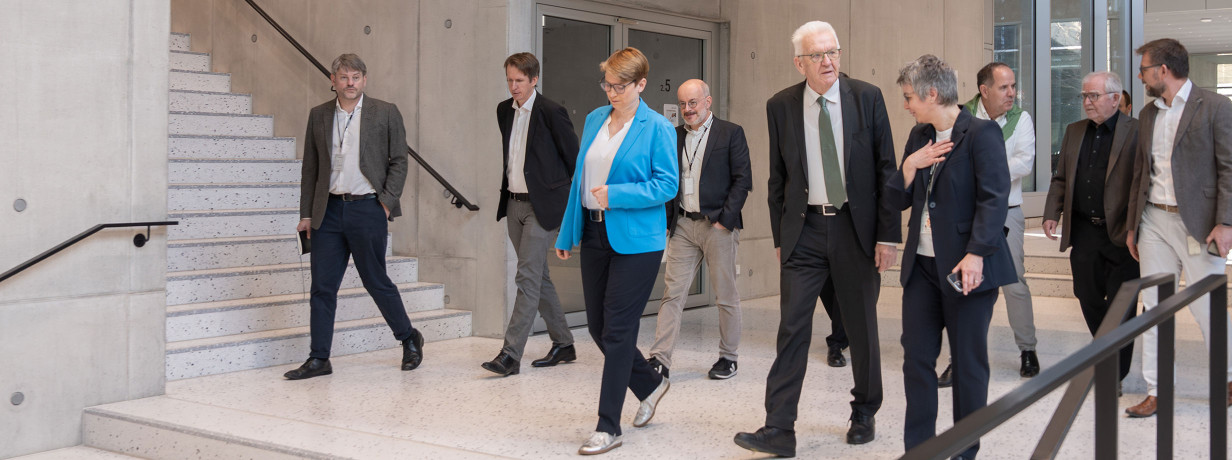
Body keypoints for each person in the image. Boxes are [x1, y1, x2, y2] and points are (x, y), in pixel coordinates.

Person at [734, 21, 899, 457]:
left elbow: (886, 170)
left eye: (833, 52)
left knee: (860, 326)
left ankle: (864, 411)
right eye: (818, 55)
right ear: (799, 63)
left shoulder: (867, 98)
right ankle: (779, 428)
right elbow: (778, 178)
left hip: (855, 229)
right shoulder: (781, 106)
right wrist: (779, 237)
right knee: (792, 328)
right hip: (803, 231)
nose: (828, 61)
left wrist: (888, 236)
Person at [888, 54, 1015, 460]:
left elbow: (994, 200)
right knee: (917, 361)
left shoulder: (981, 134)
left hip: (967, 269)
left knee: (967, 365)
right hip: (922, 269)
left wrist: (977, 253)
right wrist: (909, 167)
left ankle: (963, 450)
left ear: (930, 93)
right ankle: (920, 450)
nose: (906, 104)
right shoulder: (917, 137)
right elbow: (899, 198)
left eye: (909, 97)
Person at [554, 47, 678, 455]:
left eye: (620, 85)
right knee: (597, 328)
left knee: (619, 330)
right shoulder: (593, 119)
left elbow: (667, 185)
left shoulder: (657, 127)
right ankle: (650, 383)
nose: (611, 91)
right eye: (607, 83)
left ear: (641, 84)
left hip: (637, 242)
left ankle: (609, 426)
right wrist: (567, 233)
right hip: (593, 236)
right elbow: (579, 181)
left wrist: (618, 195)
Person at [285, 53, 422, 380]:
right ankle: (319, 359)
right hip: (327, 213)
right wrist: (306, 212)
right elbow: (311, 168)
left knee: (376, 281)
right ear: (333, 80)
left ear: (364, 79)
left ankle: (408, 338)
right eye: (344, 77)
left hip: (367, 209)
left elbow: (399, 161)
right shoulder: (318, 115)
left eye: (356, 77)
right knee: (322, 287)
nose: (350, 83)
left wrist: (386, 203)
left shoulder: (385, 113)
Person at [1124, 38, 1232, 418]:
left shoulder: (1216, 106)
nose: (1141, 77)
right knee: (1154, 307)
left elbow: (1229, 169)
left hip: (1199, 225)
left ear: (1163, 71)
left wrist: (1226, 222)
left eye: (1144, 70)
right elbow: (1142, 171)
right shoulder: (1149, 114)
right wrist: (1133, 225)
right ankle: (1157, 390)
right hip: (1153, 219)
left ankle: (1229, 378)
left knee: (1208, 307)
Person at [646, 78, 752, 381]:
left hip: (717, 226)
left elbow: (742, 180)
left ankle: (728, 357)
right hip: (682, 225)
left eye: (693, 103)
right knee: (672, 294)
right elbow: (666, 180)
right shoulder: (673, 135)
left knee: (725, 295)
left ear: (707, 101)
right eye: (682, 104)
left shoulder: (731, 133)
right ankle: (660, 358)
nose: (687, 109)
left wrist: (724, 222)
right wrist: (668, 222)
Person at [483, 52, 580, 376]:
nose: (514, 86)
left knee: (526, 276)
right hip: (513, 204)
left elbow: (573, 161)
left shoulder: (552, 112)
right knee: (538, 275)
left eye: (520, 81)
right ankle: (564, 343)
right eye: (509, 80)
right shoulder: (503, 111)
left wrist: (567, 206)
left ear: (534, 80)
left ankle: (510, 355)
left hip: (543, 207)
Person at [1042, 71, 1140, 385]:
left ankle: (1116, 370)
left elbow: (1143, 185)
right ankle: (1105, 350)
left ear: (1115, 98)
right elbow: (1061, 178)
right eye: (1084, 96)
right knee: (1087, 295)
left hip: (1122, 234)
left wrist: (1136, 228)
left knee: (1122, 304)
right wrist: (1051, 212)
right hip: (1084, 231)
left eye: (1093, 96)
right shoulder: (1073, 132)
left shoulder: (1136, 131)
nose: (1086, 102)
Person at [955, 62, 1040, 381]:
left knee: (1015, 282)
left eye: (1014, 86)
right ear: (984, 90)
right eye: (1004, 88)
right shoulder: (961, 116)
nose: (1012, 94)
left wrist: (980, 166)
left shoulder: (1021, 119)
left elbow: (1025, 163)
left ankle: (1027, 348)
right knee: (963, 284)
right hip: (966, 213)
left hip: (1007, 211)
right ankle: (959, 355)